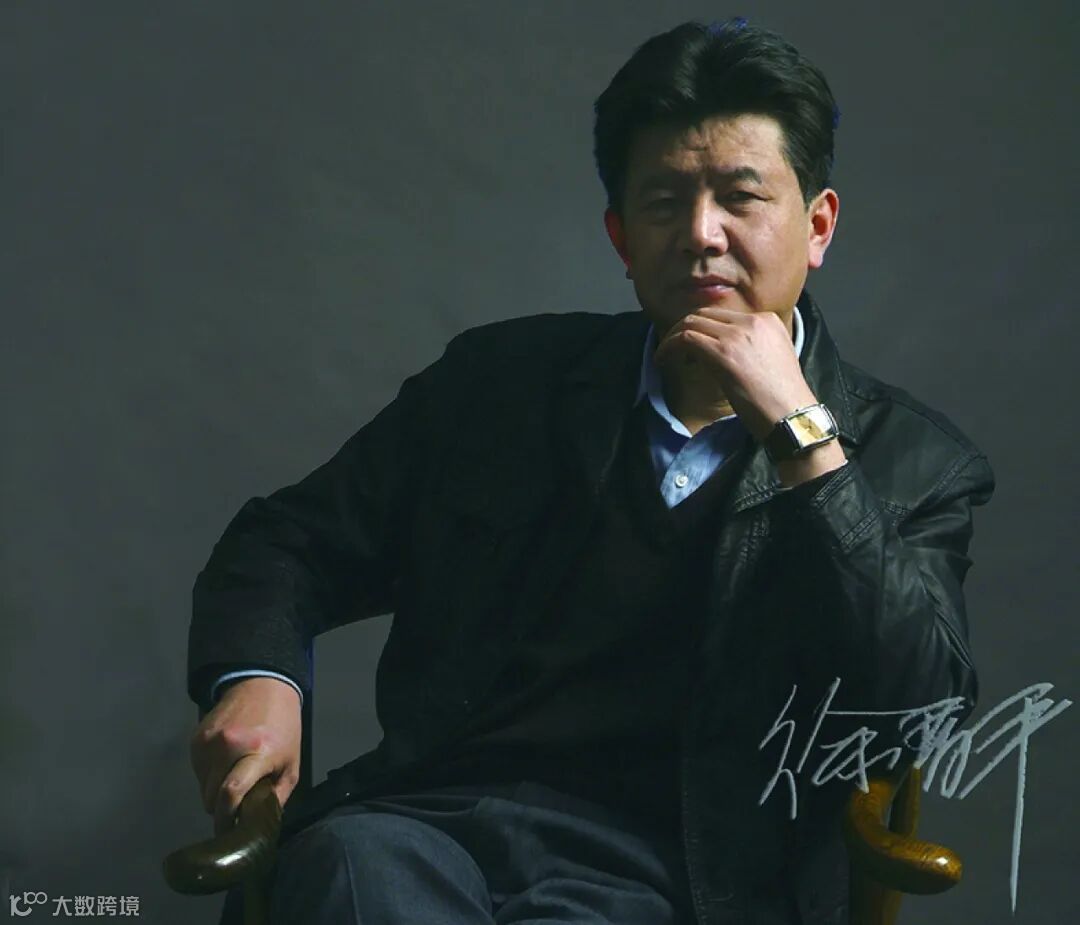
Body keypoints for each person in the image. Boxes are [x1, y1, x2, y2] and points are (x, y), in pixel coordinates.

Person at [186, 17, 994, 925]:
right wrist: (262, 677)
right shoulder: (496, 385)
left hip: (679, 873)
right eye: (664, 202)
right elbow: (286, 541)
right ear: (621, 237)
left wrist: (800, 432)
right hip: (429, 824)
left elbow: (913, 707)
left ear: (817, 227)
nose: (702, 234)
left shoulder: (914, 462)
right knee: (345, 866)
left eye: (741, 197)